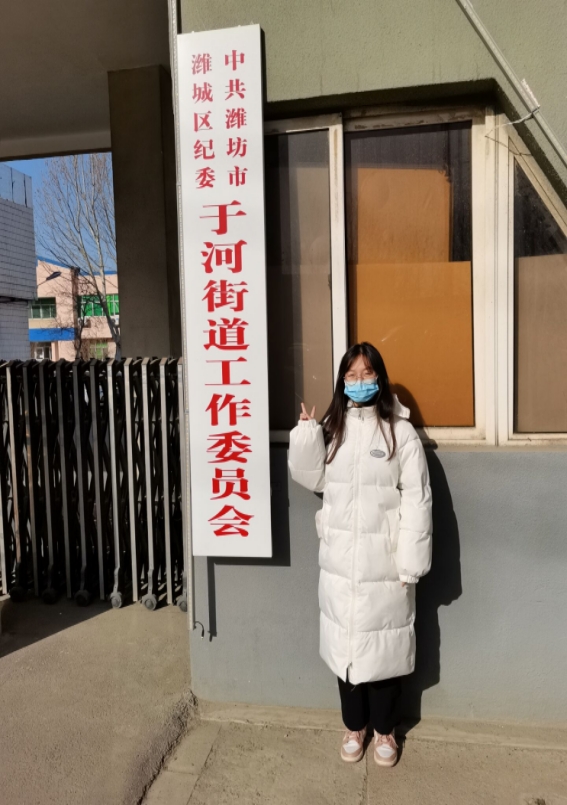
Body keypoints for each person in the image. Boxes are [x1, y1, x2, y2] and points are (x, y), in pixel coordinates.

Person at [288, 342, 432, 767]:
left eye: (367, 374)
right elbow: (313, 479)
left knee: (384, 648)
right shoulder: (334, 428)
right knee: (345, 646)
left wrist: (411, 561)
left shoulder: (400, 433)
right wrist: (307, 436)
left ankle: (385, 730)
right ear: (342, 381)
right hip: (340, 561)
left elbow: (418, 499)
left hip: (383, 562)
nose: (359, 382)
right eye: (351, 375)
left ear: (380, 378)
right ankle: (355, 726)